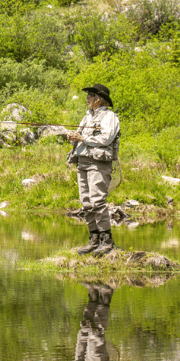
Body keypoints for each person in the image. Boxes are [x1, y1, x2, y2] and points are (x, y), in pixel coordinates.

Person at [67, 83, 120, 256]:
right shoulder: (86, 117)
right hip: (82, 162)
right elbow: (82, 137)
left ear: (99, 99)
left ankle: (107, 240)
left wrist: (82, 137)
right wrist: (73, 137)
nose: (87, 98)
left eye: (90, 95)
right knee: (86, 203)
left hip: (98, 163)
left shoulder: (110, 117)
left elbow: (106, 138)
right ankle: (94, 239)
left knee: (98, 201)